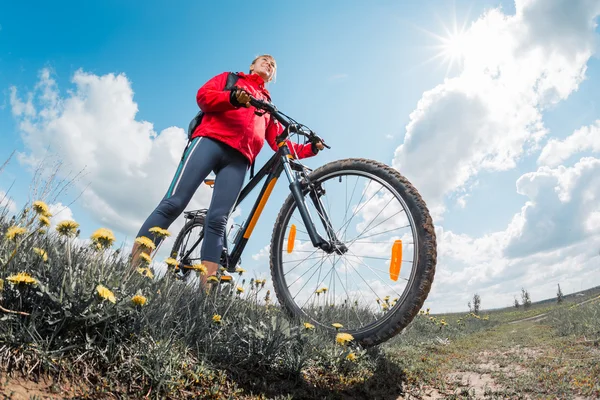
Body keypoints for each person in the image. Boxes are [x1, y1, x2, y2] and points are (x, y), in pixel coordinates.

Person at [130, 54, 324, 284]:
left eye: (273, 65)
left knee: (218, 220)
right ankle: (134, 272)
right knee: (174, 202)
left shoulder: (269, 106)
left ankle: (206, 294)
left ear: (273, 76)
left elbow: (279, 143)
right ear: (252, 65)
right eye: (264, 60)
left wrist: (310, 148)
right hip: (210, 141)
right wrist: (232, 98)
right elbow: (203, 96)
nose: (269, 64)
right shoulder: (231, 79)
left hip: (240, 160)